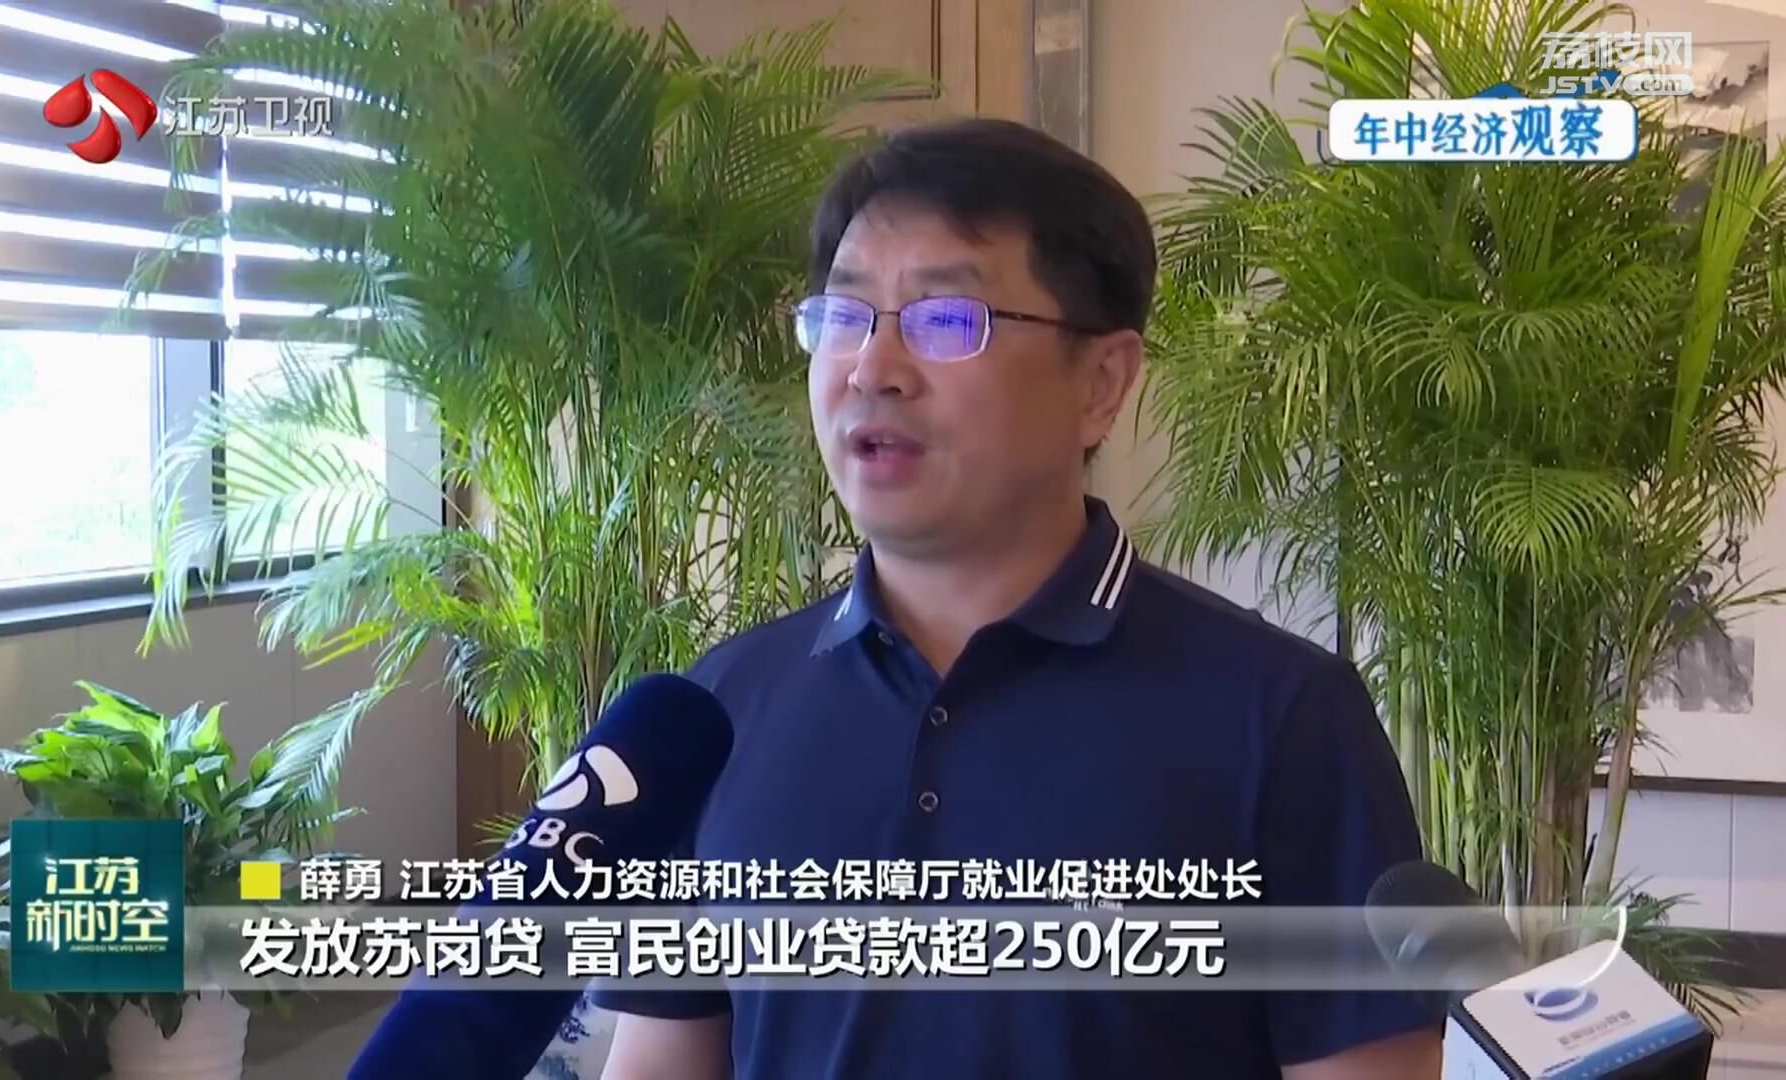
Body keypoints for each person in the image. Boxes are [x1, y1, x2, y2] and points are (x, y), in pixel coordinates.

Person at [593, 117, 1441, 1080]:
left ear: (1102, 383)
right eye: (843, 317)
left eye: (946, 322)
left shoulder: (1282, 719)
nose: (872, 369)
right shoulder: (717, 710)